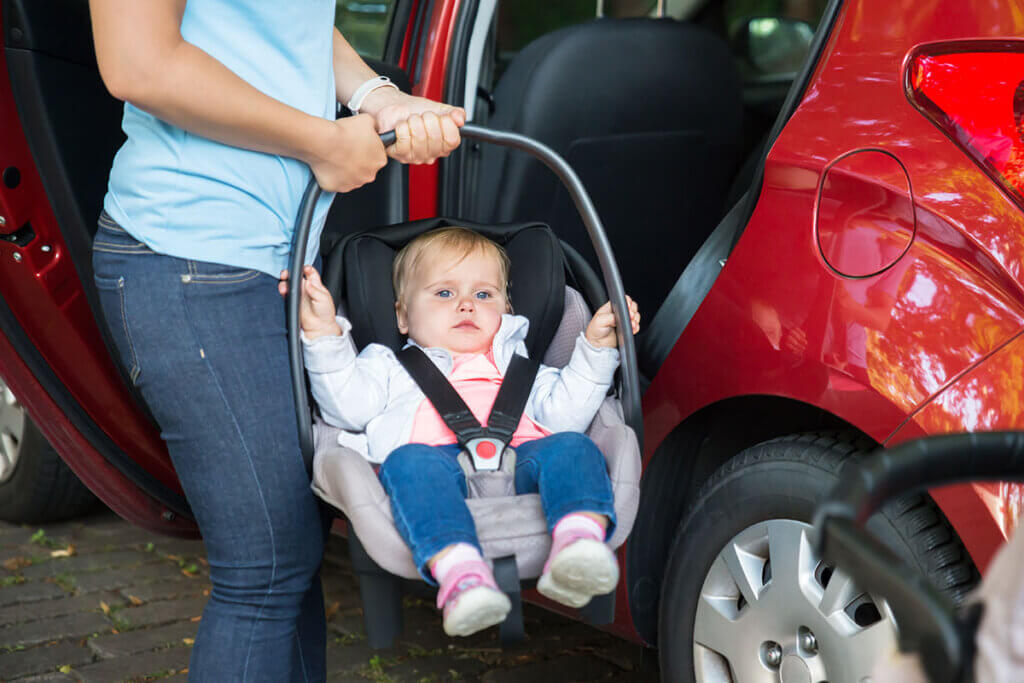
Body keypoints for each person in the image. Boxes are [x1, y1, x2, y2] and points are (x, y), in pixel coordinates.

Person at [88, 1, 463, 679]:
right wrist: (320, 140)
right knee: (263, 568)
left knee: (293, 553)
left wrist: (377, 96)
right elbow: (136, 63)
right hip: (189, 257)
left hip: (280, 265)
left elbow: (288, 23)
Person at [294, 227, 641, 637]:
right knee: (408, 463)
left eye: (483, 295)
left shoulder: (523, 367)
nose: (465, 306)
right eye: (444, 293)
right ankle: (462, 575)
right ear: (402, 316)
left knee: (574, 445)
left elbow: (567, 413)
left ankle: (578, 543)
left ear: (506, 310)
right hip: (433, 465)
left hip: (523, 464)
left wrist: (597, 350)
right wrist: (322, 337)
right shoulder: (387, 367)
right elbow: (347, 406)